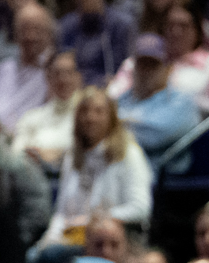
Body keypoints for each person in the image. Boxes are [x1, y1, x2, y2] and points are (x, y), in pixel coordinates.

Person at [42, 88, 152, 245]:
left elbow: (140, 209)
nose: (90, 117)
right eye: (84, 111)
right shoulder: (72, 157)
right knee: (36, 256)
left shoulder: (129, 154)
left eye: (99, 111)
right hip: (71, 238)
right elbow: (61, 212)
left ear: (111, 118)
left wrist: (92, 221)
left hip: (111, 241)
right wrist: (50, 238)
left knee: (54, 257)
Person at [115, 33, 201, 158]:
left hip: (162, 173)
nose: (146, 71)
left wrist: (114, 126)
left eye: (153, 64)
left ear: (168, 69)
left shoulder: (181, 101)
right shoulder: (124, 98)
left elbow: (154, 136)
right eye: (142, 64)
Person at [0, 4, 56, 132]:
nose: (30, 36)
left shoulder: (52, 73)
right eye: (25, 29)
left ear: (48, 35)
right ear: (16, 33)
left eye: (37, 29)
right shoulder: (4, 68)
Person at [14, 50, 82, 171]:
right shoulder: (31, 117)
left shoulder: (86, 118)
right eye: (57, 73)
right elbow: (17, 152)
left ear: (78, 77)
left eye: (68, 73)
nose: (63, 79)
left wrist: (48, 154)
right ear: (49, 77)